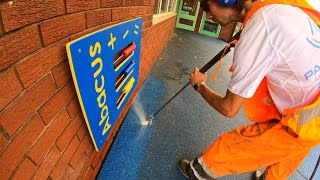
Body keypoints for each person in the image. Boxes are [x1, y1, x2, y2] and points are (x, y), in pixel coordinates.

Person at [178, 0, 320, 179]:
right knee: (288, 157)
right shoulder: (280, 9)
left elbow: (229, 108)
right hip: (311, 112)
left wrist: (200, 86)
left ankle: (198, 171)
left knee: (244, 146)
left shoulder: (259, 31)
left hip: (305, 120)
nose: (208, 16)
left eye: (207, 7)